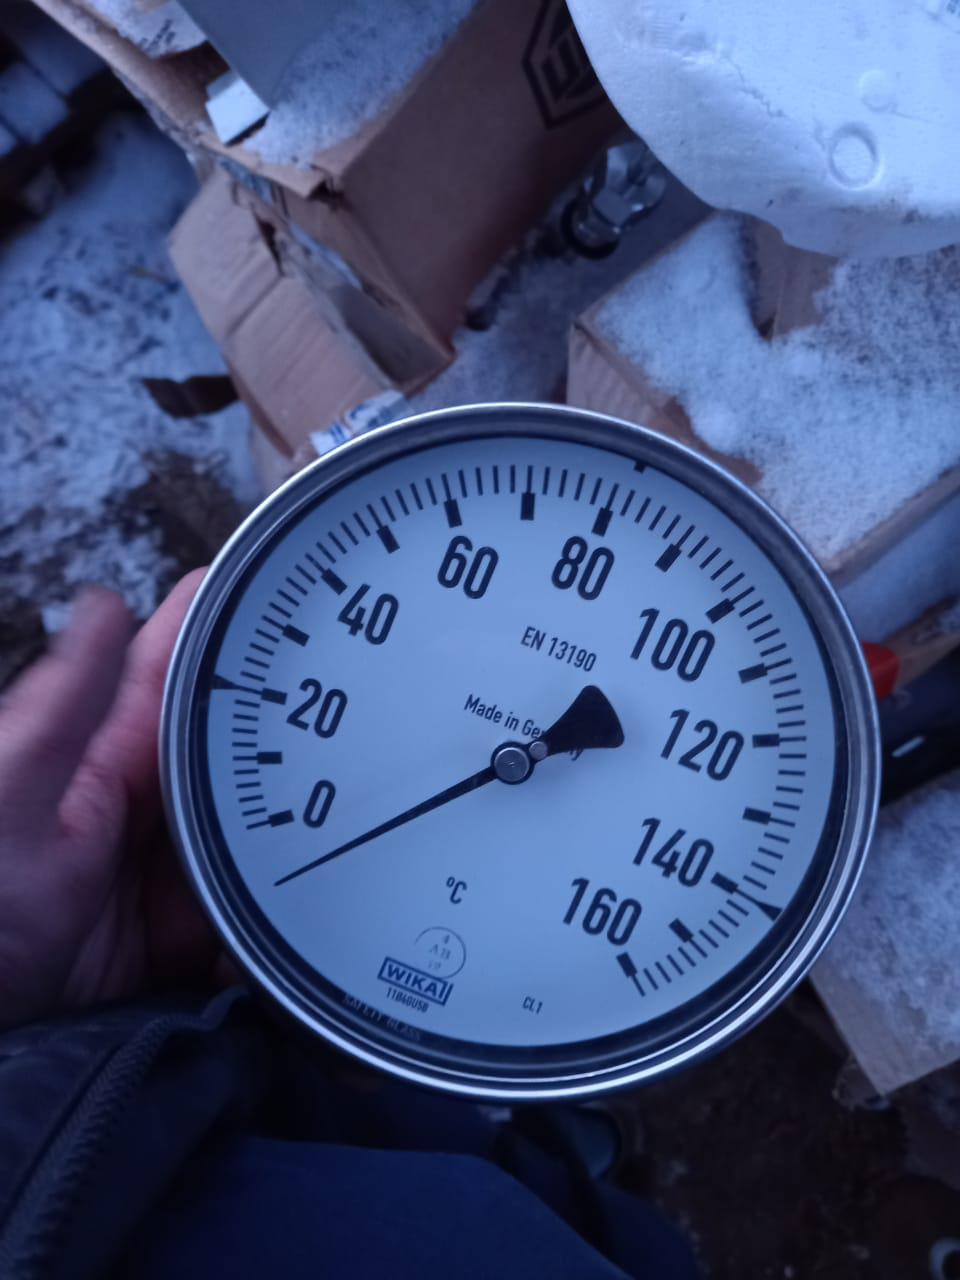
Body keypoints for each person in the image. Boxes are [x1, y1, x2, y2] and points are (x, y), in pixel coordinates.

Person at [0, 575, 700, 1280]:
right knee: (539, 1216)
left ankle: (523, 1154)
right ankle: (560, 1177)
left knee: (365, 1101)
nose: (514, 761)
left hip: (135, 1096)